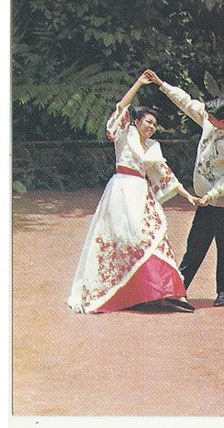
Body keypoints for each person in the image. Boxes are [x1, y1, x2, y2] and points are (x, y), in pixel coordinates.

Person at [68, 73, 198, 314]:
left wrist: (187, 195)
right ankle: (127, 292)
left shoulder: (153, 147)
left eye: (154, 124)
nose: (151, 127)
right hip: (121, 189)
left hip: (141, 193)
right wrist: (139, 83)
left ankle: (160, 292)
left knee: (151, 238)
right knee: (125, 239)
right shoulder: (123, 135)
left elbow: (164, 173)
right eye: (148, 122)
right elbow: (121, 107)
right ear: (136, 121)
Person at [146, 70, 224, 308]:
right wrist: (162, 84)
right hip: (204, 200)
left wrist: (211, 195)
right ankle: (179, 287)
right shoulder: (209, 121)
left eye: (213, 119)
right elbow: (186, 102)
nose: (208, 119)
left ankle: (223, 292)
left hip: (223, 203)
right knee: (196, 244)